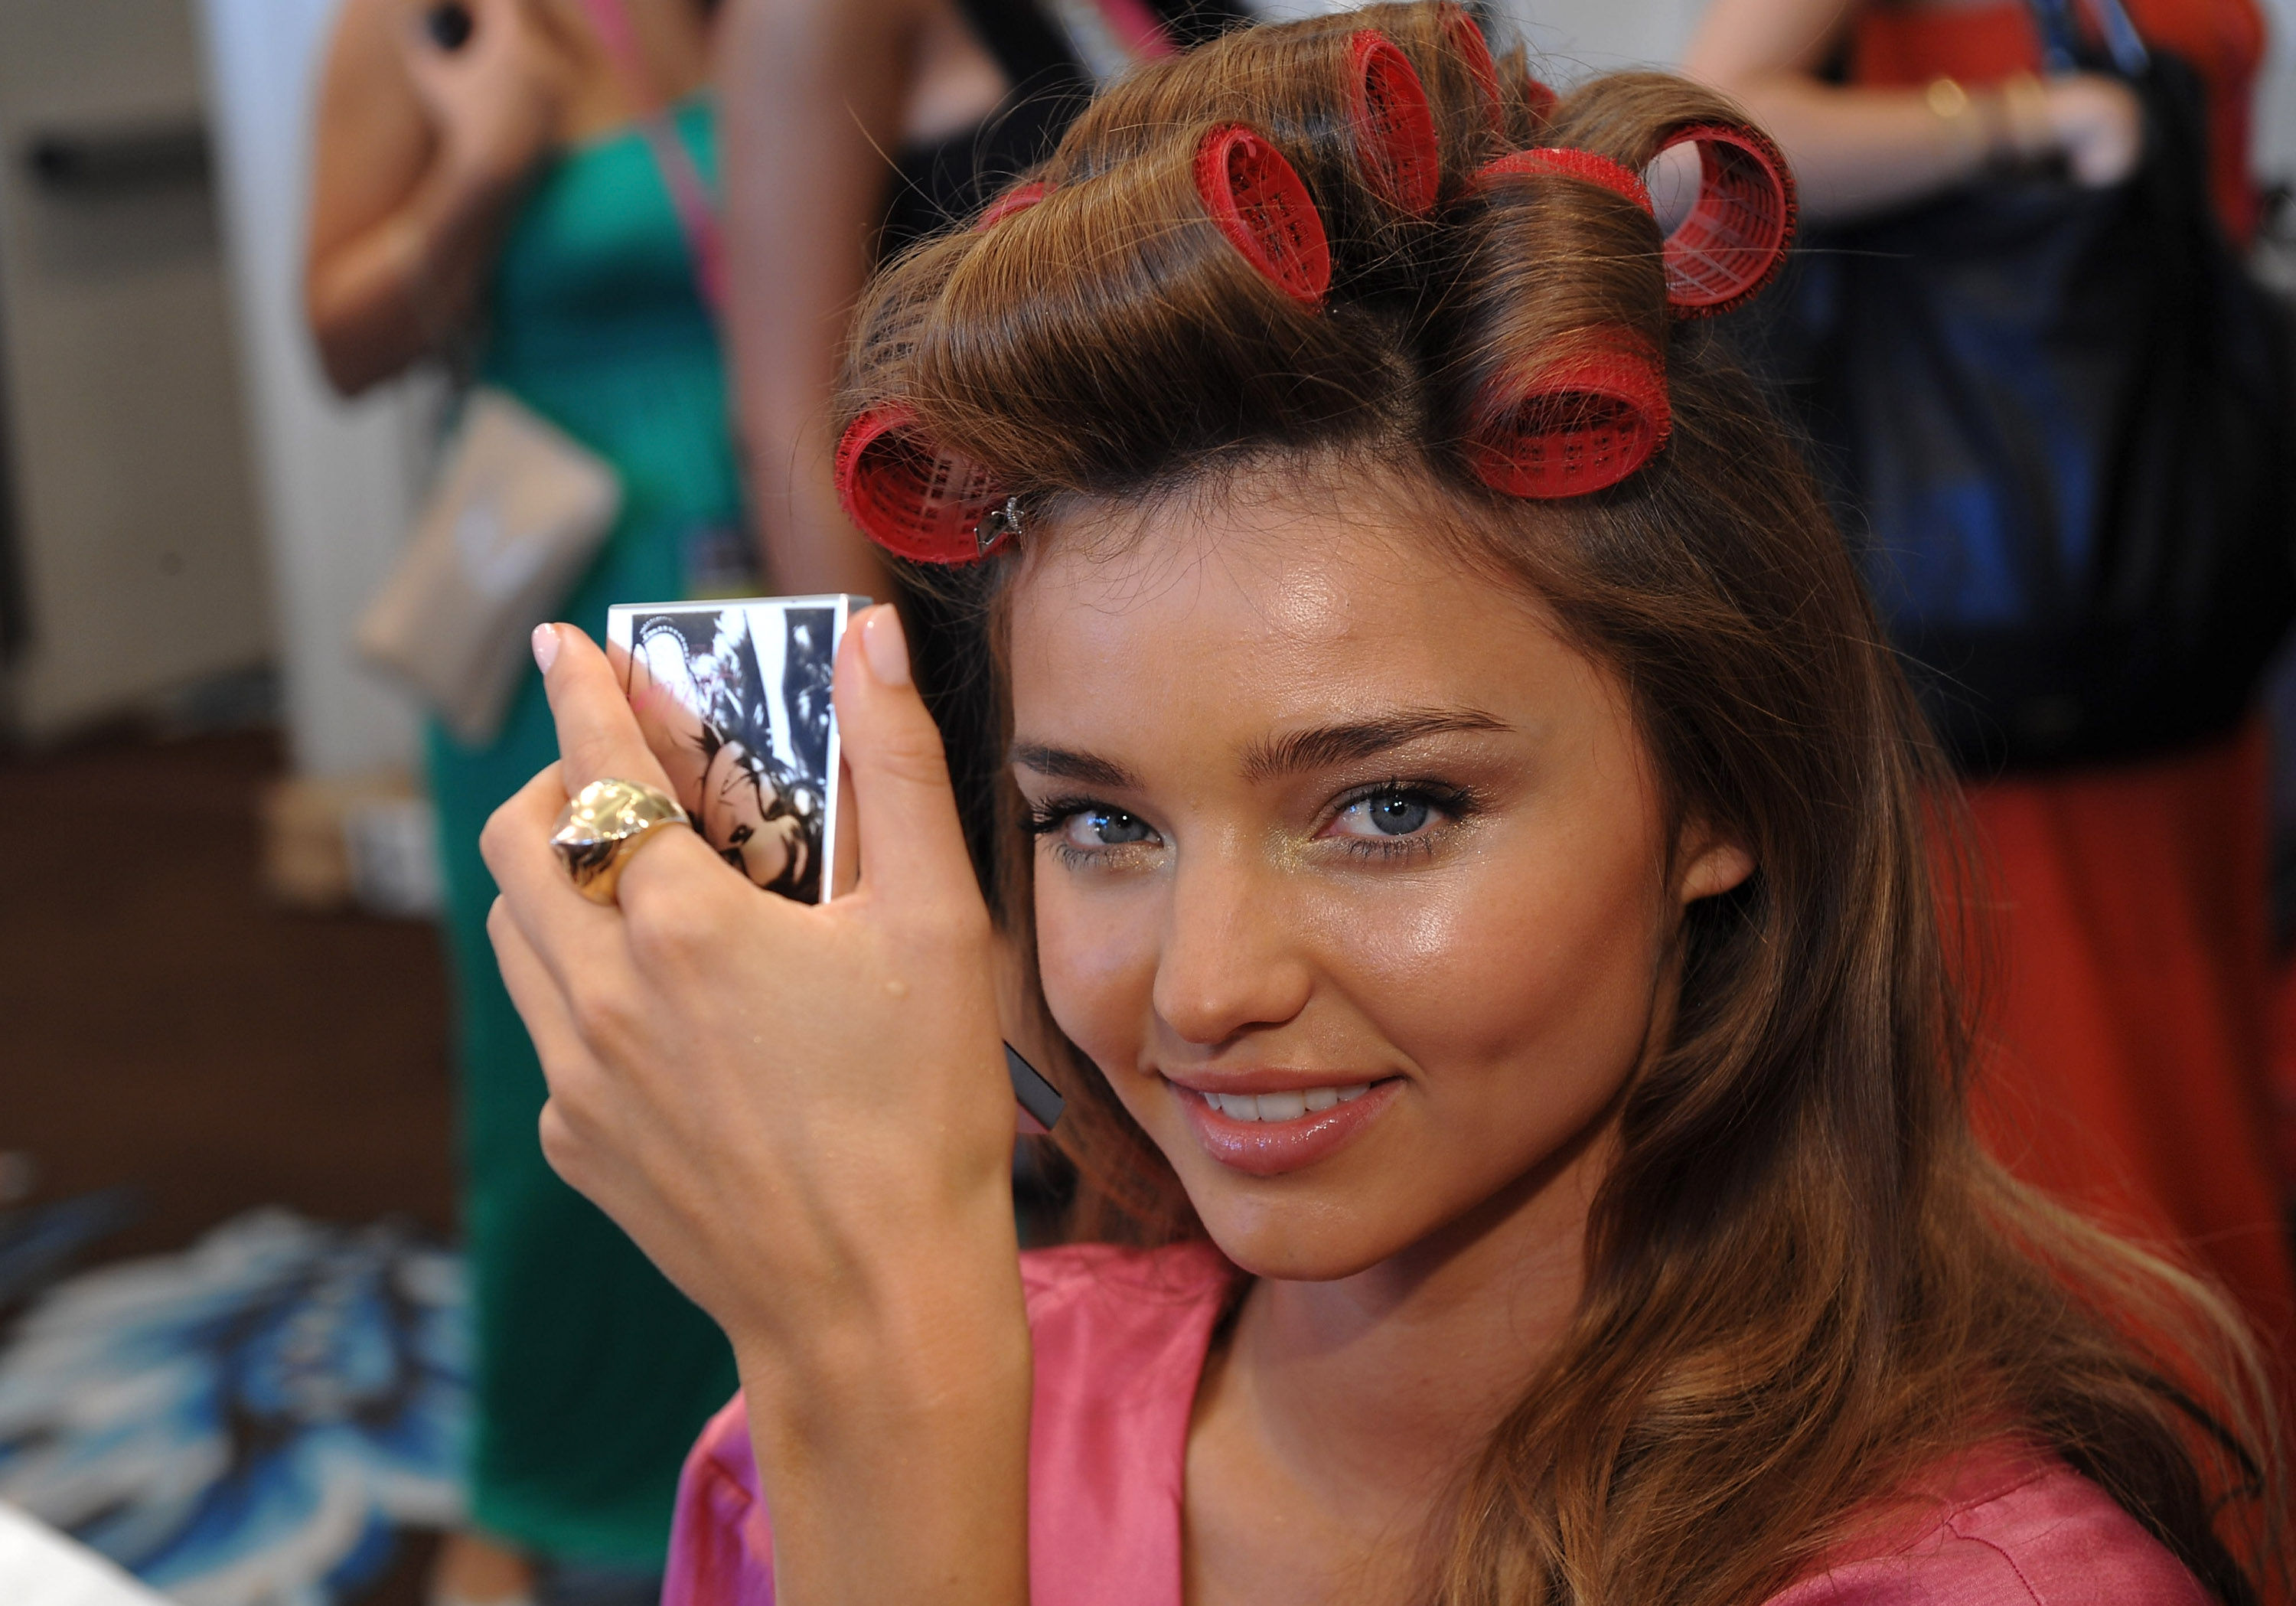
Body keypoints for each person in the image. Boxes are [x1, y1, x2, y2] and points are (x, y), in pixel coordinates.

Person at [482, 5, 2284, 1600]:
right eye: (1102, 823)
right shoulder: (878, 1414)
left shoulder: (1976, 1579)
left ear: (1722, 785)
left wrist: (873, 1375)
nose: (1206, 987)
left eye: (1392, 808)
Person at [1685, 0, 2295, 1369]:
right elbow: (1702, 142)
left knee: (2192, 1092)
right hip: (1994, 638)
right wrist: (2016, 125)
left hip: (2173, 613)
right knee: (2064, 1134)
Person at [304, 2, 740, 1598]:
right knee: (571, 1028)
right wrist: (478, 172)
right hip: (566, 611)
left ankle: (767, 1447)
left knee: (757, 1031)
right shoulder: (425, 24)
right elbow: (341, 341)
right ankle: (554, 1477)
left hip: (753, 608)